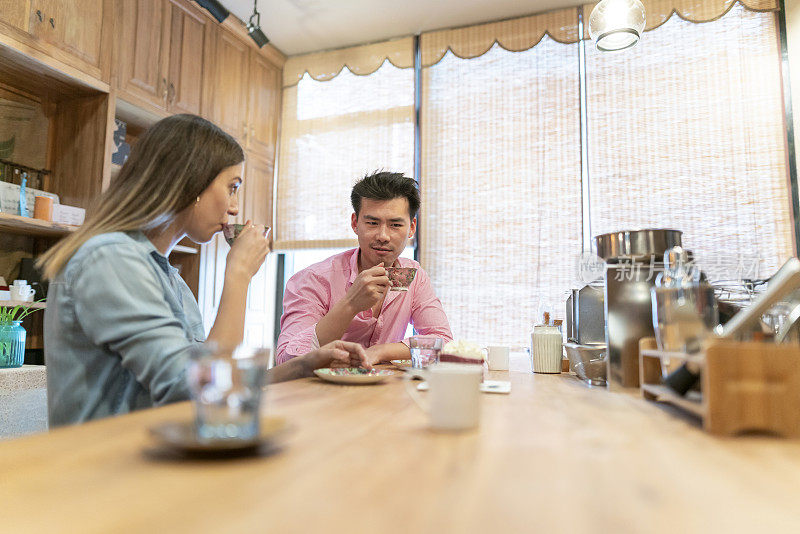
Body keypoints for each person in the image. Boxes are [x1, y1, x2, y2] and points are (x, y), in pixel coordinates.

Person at [39, 114, 369, 427]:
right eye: (232, 186)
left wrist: (305, 364)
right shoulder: (110, 259)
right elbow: (196, 388)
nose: (235, 206)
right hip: (106, 472)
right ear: (191, 181)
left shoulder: (168, 277)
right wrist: (238, 276)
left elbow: (212, 378)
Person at [276, 171, 452, 365]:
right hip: (323, 391)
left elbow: (442, 340)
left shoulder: (413, 276)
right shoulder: (313, 279)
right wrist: (350, 304)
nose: (383, 235)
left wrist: (380, 351)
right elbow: (287, 360)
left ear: (411, 228)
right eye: (372, 223)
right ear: (355, 223)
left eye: (395, 225)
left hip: (383, 390)